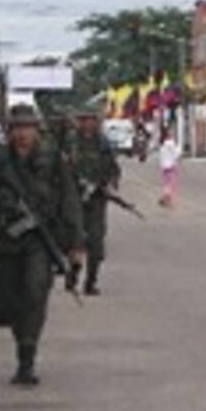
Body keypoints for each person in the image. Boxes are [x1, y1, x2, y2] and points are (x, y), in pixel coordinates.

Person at [0, 104, 84, 387]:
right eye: (17, 128)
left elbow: (70, 200)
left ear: (37, 130)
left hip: (40, 239)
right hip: (8, 240)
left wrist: (76, 243)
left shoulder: (52, 159)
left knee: (35, 291)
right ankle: (21, 343)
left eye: (28, 128)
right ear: (10, 131)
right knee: (11, 301)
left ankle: (27, 357)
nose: (23, 134)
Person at [68, 107, 121, 296]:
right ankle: (72, 274)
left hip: (97, 199)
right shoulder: (70, 143)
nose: (87, 124)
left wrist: (110, 183)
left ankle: (90, 282)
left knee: (96, 243)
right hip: (74, 199)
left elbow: (113, 168)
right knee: (74, 241)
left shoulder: (103, 144)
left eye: (91, 120)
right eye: (84, 119)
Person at [158, 126, 181, 207]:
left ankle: (166, 199)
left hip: (164, 166)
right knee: (171, 184)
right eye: (170, 132)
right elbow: (176, 154)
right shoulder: (170, 143)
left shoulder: (162, 143)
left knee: (166, 183)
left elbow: (161, 156)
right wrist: (178, 148)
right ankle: (167, 200)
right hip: (171, 166)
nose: (172, 133)